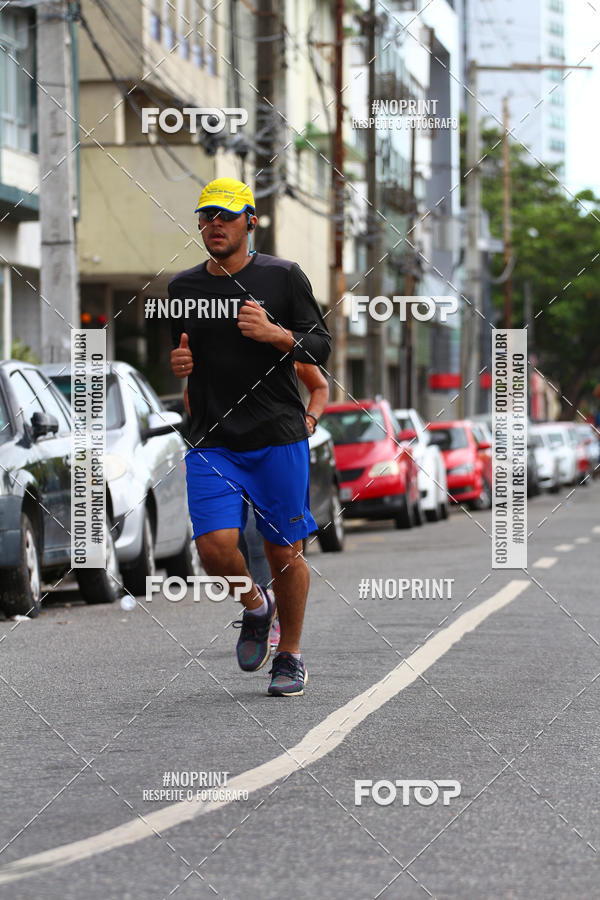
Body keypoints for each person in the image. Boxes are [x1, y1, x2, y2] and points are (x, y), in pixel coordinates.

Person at [170, 177, 331, 696]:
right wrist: (178, 363)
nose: (213, 223)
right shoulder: (183, 290)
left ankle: (291, 655)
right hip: (212, 439)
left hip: (276, 437)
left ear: (249, 222)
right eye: (206, 215)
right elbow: (182, 355)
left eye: (225, 215)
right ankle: (256, 608)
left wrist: (276, 334)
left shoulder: (283, 278)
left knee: (285, 553)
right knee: (214, 550)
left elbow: (320, 346)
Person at [184, 362, 330, 650]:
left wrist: (310, 419)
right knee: (221, 545)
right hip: (225, 454)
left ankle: (277, 627)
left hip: (276, 449)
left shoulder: (278, 339)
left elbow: (320, 386)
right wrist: (213, 424)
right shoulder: (215, 342)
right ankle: (258, 606)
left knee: (268, 542)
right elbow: (193, 395)